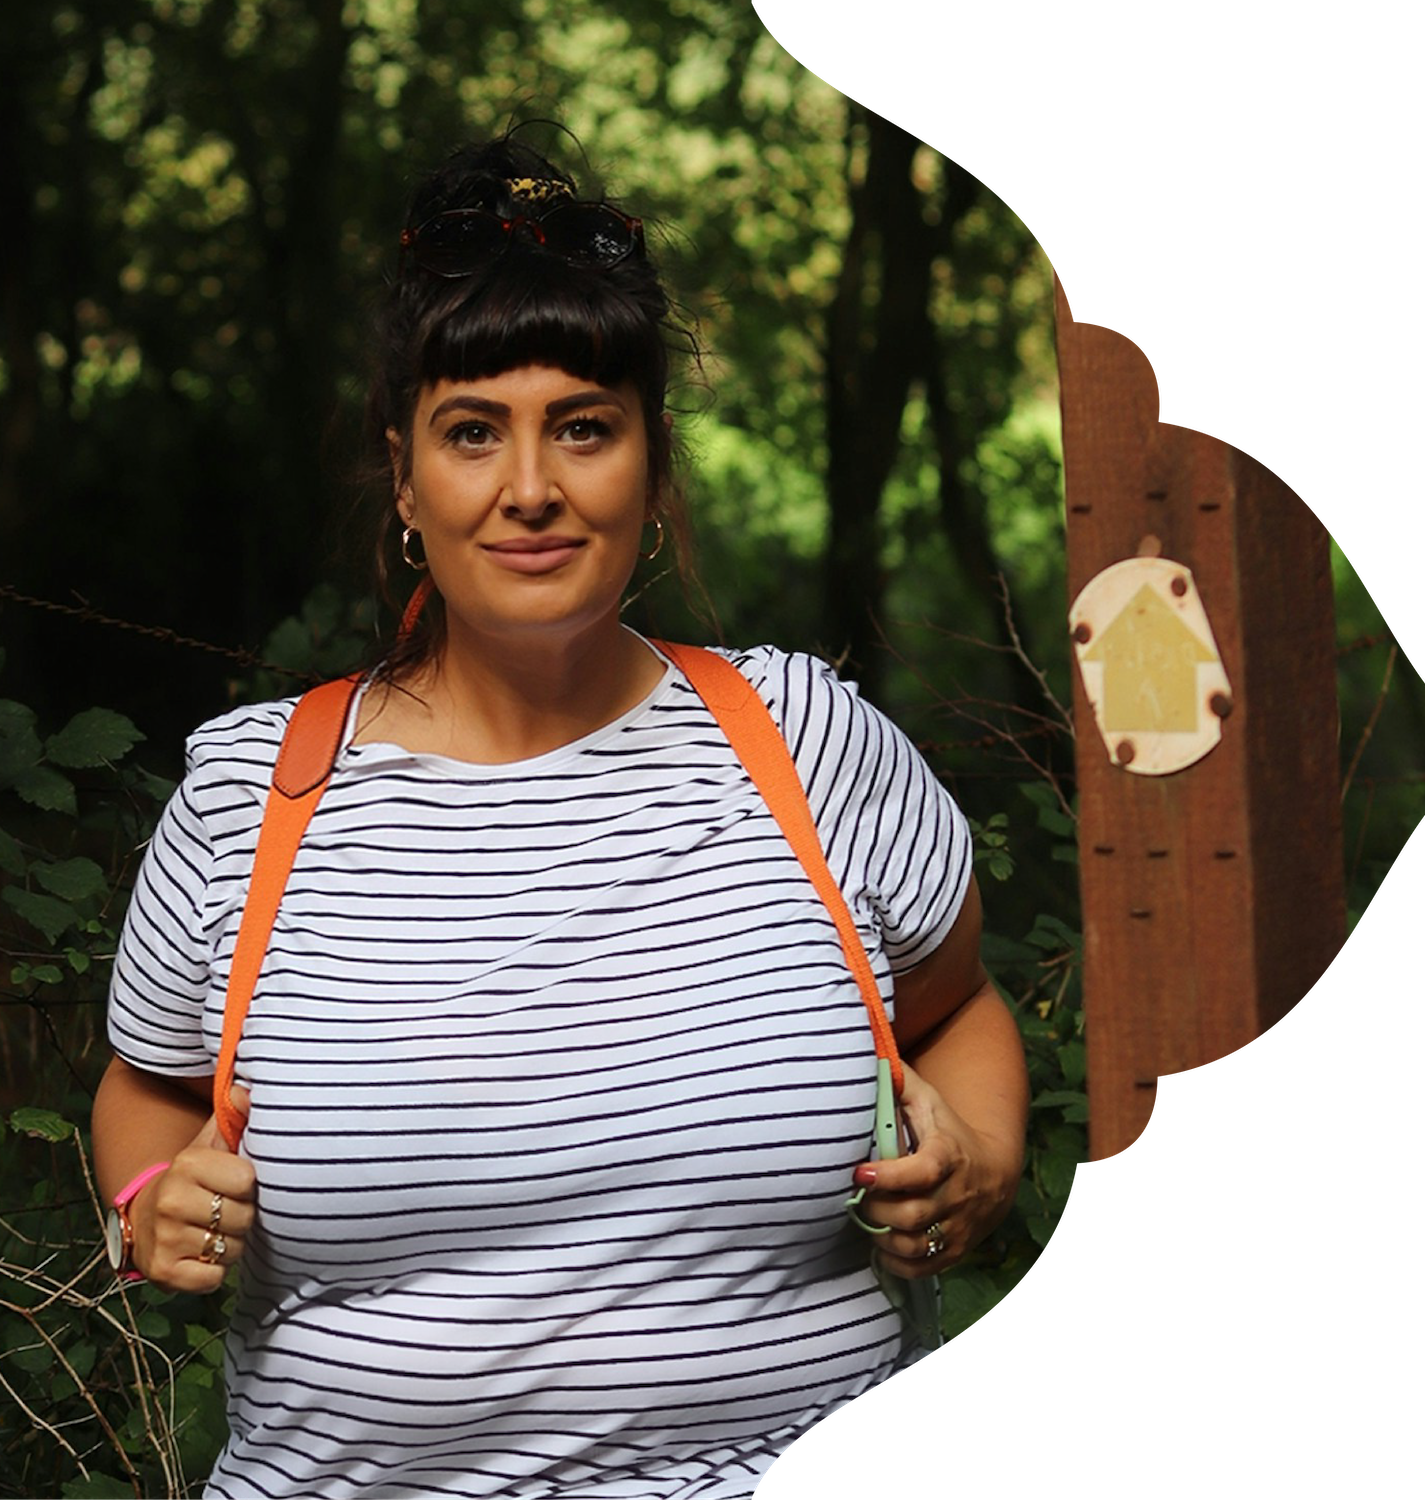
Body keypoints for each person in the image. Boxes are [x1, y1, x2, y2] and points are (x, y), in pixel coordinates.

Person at [93, 124, 1030, 1498]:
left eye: (582, 428)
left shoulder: (806, 744)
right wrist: (143, 1208)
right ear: (407, 480)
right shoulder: (255, 796)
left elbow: (954, 1009)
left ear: (651, 466)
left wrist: (985, 1162)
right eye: (474, 434)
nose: (530, 487)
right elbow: (148, 1089)